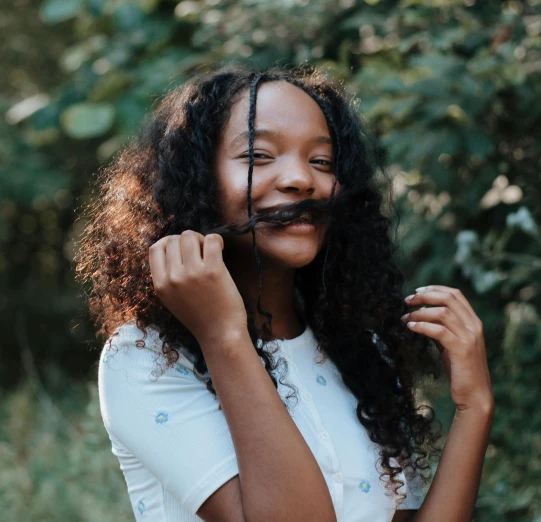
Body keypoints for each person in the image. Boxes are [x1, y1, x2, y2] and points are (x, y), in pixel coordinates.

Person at [75, 64, 494, 521]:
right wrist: (224, 336)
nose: (301, 179)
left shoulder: (360, 355)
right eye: (258, 156)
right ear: (197, 180)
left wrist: (474, 408)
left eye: (322, 161)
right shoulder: (147, 357)